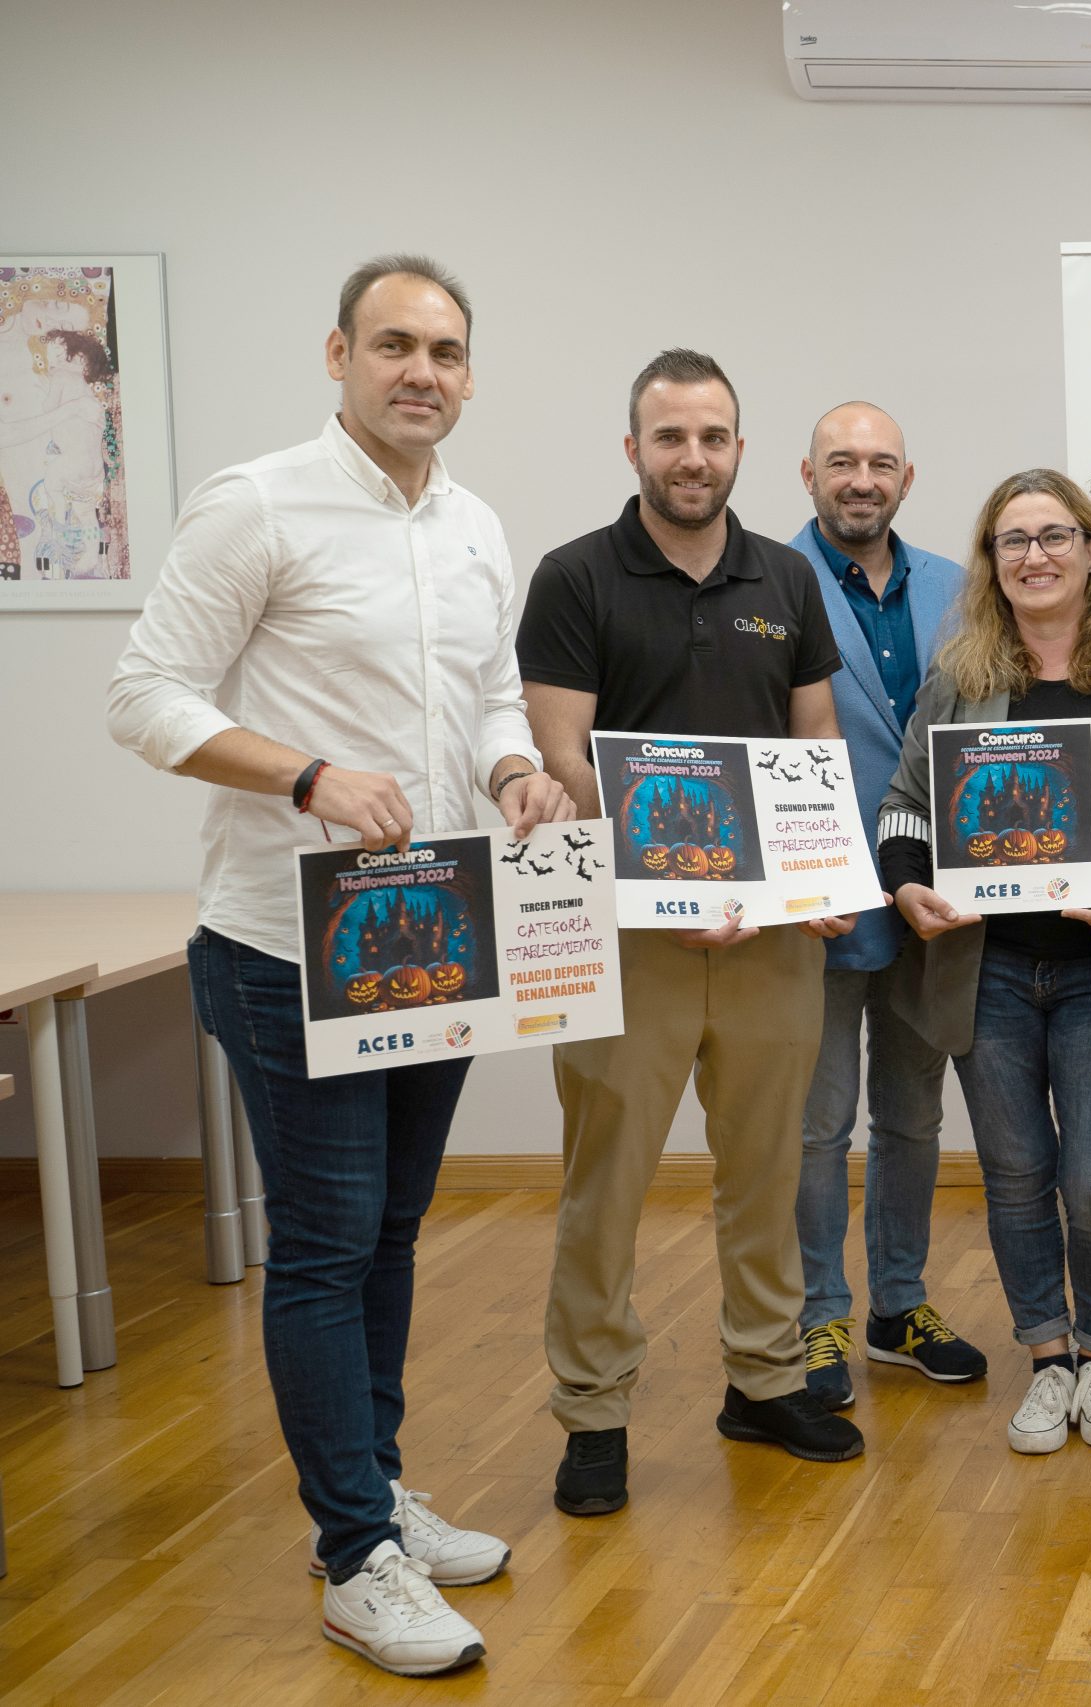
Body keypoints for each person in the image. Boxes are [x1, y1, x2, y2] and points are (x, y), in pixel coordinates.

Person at [106, 255, 573, 1677]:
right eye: (393, 345)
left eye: (444, 349)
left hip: (431, 933)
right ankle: (355, 1552)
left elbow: (489, 687)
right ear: (339, 354)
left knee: (387, 1229)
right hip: (282, 940)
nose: (420, 370)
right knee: (323, 1239)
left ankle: (370, 1493)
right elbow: (144, 695)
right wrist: (306, 773)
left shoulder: (477, 521)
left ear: (470, 373)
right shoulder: (258, 502)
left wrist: (512, 764)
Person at [518, 348, 863, 1518]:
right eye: (669, 438)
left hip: (768, 937)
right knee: (605, 1182)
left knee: (767, 1174)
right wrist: (667, 888)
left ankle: (764, 1380)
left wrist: (814, 875)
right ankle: (594, 1410)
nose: (692, 458)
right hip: (629, 940)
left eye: (712, 437)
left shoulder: (786, 579)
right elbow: (562, 754)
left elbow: (815, 746)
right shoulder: (575, 577)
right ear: (633, 450)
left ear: (739, 451)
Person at [875, 469, 1091, 1454]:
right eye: (1012, 540)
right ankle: (1049, 1355)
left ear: (1090, 549)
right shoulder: (957, 682)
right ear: (991, 562)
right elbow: (905, 804)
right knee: (1018, 1174)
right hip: (987, 972)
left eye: (1054, 536)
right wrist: (907, 888)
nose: (1035, 556)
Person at [783, 401, 987, 1406]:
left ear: (907, 478)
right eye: (840, 462)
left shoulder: (959, 587)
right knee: (816, 1128)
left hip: (931, 904)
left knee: (911, 1119)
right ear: (807, 475)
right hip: (816, 906)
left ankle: (898, 1305)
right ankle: (816, 1317)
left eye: (880, 463)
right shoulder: (768, 583)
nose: (860, 478)